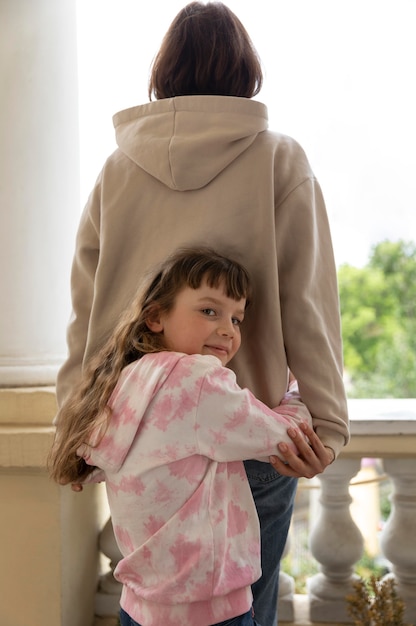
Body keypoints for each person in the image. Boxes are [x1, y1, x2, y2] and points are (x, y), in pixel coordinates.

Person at [55, 2, 350, 624]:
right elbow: (309, 308)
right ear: (248, 75)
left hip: (138, 438)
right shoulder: (280, 160)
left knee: (152, 603)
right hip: (252, 432)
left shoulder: (115, 172)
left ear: (163, 73)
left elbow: (88, 313)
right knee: (244, 609)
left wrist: (73, 428)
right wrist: (325, 426)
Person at [49, 247, 313, 626]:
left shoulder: (125, 381)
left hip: (140, 607)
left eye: (237, 319)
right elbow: (287, 435)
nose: (227, 329)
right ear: (155, 316)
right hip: (210, 611)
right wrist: (296, 393)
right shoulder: (200, 380)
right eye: (209, 311)